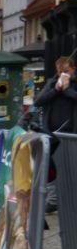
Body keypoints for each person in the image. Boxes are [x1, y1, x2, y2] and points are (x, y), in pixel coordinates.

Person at [34, 56, 77, 212]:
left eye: (66, 71)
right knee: (51, 167)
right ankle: (53, 199)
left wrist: (67, 90)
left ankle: (68, 201)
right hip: (52, 133)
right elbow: (38, 101)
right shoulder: (52, 83)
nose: (62, 74)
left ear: (73, 69)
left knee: (70, 168)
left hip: (70, 133)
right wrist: (56, 89)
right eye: (59, 72)